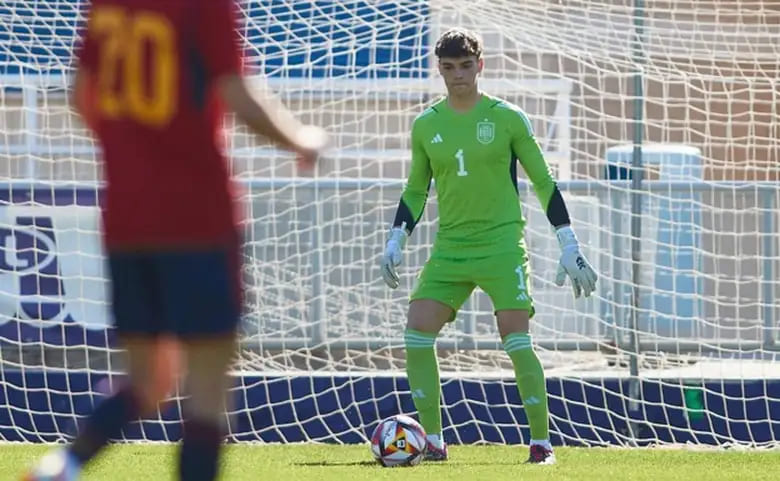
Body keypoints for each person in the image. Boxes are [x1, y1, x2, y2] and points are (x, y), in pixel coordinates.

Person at [24, 0, 326, 480]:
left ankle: (60, 468)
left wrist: (133, 150)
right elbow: (236, 93)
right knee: (206, 389)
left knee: (148, 382)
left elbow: (82, 95)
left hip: (127, 217)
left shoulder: (106, 5)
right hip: (197, 217)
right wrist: (301, 139)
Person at [380, 27, 597, 465]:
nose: (457, 75)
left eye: (464, 66)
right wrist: (397, 236)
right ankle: (436, 441)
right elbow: (416, 189)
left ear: (480, 66)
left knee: (514, 337)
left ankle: (541, 444)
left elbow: (543, 181)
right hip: (451, 248)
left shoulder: (507, 118)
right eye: (448, 67)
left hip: (501, 246)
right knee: (417, 331)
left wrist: (568, 241)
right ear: (439, 70)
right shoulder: (426, 125)